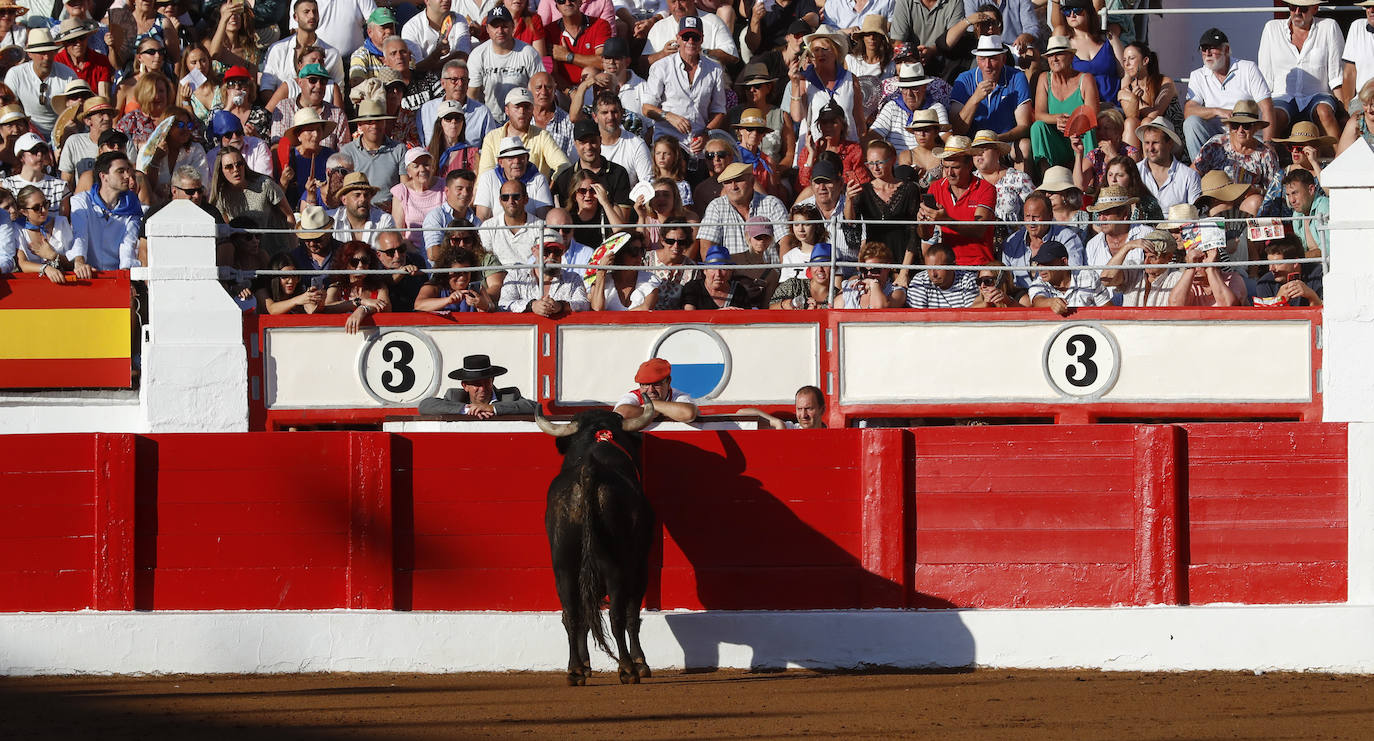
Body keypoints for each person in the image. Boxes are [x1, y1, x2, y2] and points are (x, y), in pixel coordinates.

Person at [1183, 28, 1275, 162]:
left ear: (1226, 50)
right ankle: (1201, 172)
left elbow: (1267, 108)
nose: (1207, 53)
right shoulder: (1197, 75)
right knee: (1191, 123)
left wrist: (1268, 144)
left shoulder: (1248, 68)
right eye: (1204, 49)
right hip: (1216, 136)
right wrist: (1217, 111)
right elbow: (1188, 111)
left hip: (1248, 135)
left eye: (1213, 48)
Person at [1258, 0, 1344, 140]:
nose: (1297, 12)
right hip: (1282, 96)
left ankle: (1341, 157)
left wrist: (1343, 111)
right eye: (1292, 7)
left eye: (1303, 8)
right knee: (1275, 117)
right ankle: (1268, 158)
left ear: (1315, 9)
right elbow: (1265, 76)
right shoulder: (1271, 28)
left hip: (1318, 95)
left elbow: (1336, 75)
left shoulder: (1328, 26)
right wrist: (1263, 109)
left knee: (1324, 112)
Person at [642, 15, 726, 148]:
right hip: (667, 143)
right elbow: (646, 108)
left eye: (695, 37)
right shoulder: (661, 67)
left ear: (702, 39)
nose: (691, 41)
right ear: (678, 38)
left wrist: (706, 134)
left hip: (698, 145)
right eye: (686, 37)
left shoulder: (715, 69)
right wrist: (668, 116)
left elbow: (719, 110)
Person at [919, 135, 995, 265]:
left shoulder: (986, 189)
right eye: (945, 167)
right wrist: (922, 222)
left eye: (955, 167)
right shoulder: (936, 188)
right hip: (947, 267)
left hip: (979, 265)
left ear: (969, 165)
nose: (949, 172)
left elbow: (979, 230)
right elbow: (926, 235)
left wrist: (946, 221)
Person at [844, 138, 920, 267]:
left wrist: (904, 271)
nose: (875, 168)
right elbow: (850, 221)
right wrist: (849, 199)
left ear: (892, 160)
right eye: (870, 163)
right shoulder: (864, 190)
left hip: (903, 258)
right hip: (874, 260)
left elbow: (914, 233)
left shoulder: (909, 189)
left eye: (879, 162)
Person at [785, 24, 864, 145]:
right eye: (816, 50)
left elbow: (859, 121)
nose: (820, 53)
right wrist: (795, 84)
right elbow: (797, 116)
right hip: (814, 151)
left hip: (847, 150)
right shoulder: (805, 80)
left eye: (825, 49)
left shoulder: (850, 79)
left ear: (835, 52)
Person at [211, 145, 295, 254]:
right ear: (221, 171)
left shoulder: (265, 184)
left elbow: (289, 216)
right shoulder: (221, 196)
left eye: (239, 164)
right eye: (229, 167)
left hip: (274, 252)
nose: (236, 170)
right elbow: (226, 232)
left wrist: (293, 250)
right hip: (243, 257)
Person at [1030, 35, 1098, 171]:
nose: (1054, 59)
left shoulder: (1086, 79)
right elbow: (1039, 114)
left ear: (1071, 57)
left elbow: (1092, 115)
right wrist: (1057, 119)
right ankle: (1047, 178)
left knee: (1089, 130)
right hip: (1057, 141)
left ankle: (1088, 177)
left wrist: (1072, 124)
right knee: (1037, 127)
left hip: (1081, 137)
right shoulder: (1044, 78)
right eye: (1050, 56)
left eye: (1059, 54)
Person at [950, 34, 1031, 147]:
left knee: (1025, 145)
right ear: (977, 60)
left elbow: (1024, 126)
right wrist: (975, 99)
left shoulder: (1017, 77)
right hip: (972, 147)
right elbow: (956, 130)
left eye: (992, 58)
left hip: (1006, 144)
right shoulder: (964, 79)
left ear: (1003, 59)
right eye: (982, 59)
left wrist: (994, 140)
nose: (987, 65)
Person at [467, 5, 543, 124]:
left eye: (504, 26)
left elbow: (539, 89)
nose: (500, 31)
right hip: (489, 120)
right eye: (495, 26)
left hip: (523, 118)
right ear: (487, 29)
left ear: (513, 26)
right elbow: (472, 94)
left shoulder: (528, 53)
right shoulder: (478, 55)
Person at [697, 161, 789, 259]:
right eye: (728, 182)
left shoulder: (772, 203)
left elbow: (786, 240)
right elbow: (706, 245)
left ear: (752, 182)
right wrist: (715, 272)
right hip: (731, 273)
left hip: (771, 271)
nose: (733, 186)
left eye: (738, 180)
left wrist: (786, 272)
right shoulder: (716, 206)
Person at [476, 87, 570, 179]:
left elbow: (564, 166)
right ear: (507, 110)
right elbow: (484, 176)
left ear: (532, 110)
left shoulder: (542, 136)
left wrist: (550, 187)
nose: (522, 111)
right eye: (517, 107)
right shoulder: (492, 138)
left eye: (527, 107)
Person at [70, 151, 141, 272]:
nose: (127, 176)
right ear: (103, 176)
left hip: (117, 275)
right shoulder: (81, 201)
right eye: (120, 171)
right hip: (88, 274)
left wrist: (125, 274)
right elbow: (80, 235)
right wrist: (79, 262)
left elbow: (129, 244)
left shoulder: (132, 204)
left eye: (128, 170)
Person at [1001, 191, 1085, 288]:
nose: (1031, 222)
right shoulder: (1012, 242)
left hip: (1056, 296)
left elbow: (1075, 276)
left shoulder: (1068, 238)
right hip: (1021, 299)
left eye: (1036, 217)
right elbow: (1006, 281)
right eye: (1027, 216)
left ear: (1050, 216)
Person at [497, 228, 591, 315]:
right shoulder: (516, 276)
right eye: (546, 251)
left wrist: (561, 306)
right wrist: (531, 306)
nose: (551, 256)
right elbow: (504, 305)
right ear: (534, 251)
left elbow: (585, 305)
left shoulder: (573, 278)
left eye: (557, 251)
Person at [261, 0, 346, 94]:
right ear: (295, 17)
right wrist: (281, 108)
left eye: (315, 11)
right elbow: (266, 88)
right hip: (280, 107)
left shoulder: (332, 54)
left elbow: (338, 92)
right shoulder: (277, 49)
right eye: (306, 12)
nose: (312, 16)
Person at [8, 28, 78, 139]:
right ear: (30, 54)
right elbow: (10, 110)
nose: (46, 58)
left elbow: (75, 108)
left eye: (50, 52)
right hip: (27, 132)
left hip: (62, 131)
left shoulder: (68, 74)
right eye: (41, 53)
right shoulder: (15, 74)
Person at [417, 354, 539, 417]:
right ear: (465, 386)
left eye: (486, 382)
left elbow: (535, 407)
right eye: (476, 384)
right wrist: (467, 409)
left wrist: (492, 408)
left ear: (492, 380)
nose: (483, 389)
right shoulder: (454, 396)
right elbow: (425, 405)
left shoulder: (510, 395)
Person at [1049, 0, 1120, 107]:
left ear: (1089, 12)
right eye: (1067, 11)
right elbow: (1058, 81)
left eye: (1077, 10)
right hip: (1082, 108)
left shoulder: (1109, 38)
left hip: (1113, 105)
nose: (1072, 15)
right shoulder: (1065, 46)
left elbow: (1125, 74)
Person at [554, 119, 632, 216]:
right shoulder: (564, 179)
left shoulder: (618, 173)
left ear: (600, 140)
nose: (588, 147)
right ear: (575, 144)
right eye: (583, 142)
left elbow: (623, 221)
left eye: (593, 141)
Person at [340, 99, 405, 209]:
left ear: (384, 123)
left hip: (391, 211)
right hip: (358, 211)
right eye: (370, 122)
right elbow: (344, 188)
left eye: (378, 121)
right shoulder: (347, 151)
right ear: (360, 125)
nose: (374, 126)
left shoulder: (399, 149)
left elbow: (405, 187)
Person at [269, 62, 349, 150]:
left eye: (323, 81)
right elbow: (277, 146)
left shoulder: (337, 115)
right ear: (300, 82)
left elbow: (343, 153)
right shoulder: (283, 108)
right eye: (313, 80)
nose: (318, 86)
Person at [417, 60, 494, 150]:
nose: (460, 84)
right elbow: (420, 147)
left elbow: (490, 149)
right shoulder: (426, 110)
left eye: (464, 80)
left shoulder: (482, 112)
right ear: (443, 83)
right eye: (454, 80)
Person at [1119, 41, 1182, 150]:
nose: (1127, 64)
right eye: (1124, 60)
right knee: (1130, 122)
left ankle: (1148, 164)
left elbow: (1155, 114)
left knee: (1147, 122)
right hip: (1143, 138)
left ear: (1145, 60)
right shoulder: (1126, 89)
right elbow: (1132, 116)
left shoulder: (1165, 82)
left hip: (1171, 140)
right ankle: (1133, 164)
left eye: (1131, 58)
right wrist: (1134, 99)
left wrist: (1136, 102)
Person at [644, 0, 739, 71]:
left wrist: (704, 52)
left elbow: (732, 57)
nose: (678, 6)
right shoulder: (658, 27)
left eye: (682, 0)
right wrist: (663, 54)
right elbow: (642, 64)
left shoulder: (713, 22)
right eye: (673, 1)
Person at [971, 129, 1032, 238]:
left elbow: (1035, 208)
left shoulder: (1018, 178)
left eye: (984, 149)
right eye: (975, 150)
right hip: (978, 243)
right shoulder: (968, 181)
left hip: (1014, 244)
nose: (979, 153)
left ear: (997, 152)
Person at [474, 135, 553, 219]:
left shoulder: (539, 179)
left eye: (521, 157)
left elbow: (544, 218)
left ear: (527, 158)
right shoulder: (488, 178)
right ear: (500, 162)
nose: (517, 161)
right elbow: (482, 218)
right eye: (510, 158)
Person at [322, 239, 391, 333]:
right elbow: (326, 308)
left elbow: (385, 307)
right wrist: (360, 302)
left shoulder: (379, 287)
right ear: (345, 264)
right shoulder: (337, 287)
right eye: (354, 262)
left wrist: (363, 309)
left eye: (365, 260)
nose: (360, 265)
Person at [1100, 228, 1182, 307]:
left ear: (1169, 257)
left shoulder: (1176, 278)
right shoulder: (1134, 269)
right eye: (1144, 256)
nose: (1146, 262)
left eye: (1153, 257)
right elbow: (1105, 280)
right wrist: (1127, 247)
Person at [796, 101, 868, 191]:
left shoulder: (853, 150)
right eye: (824, 123)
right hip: (816, 197)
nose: (828, 127)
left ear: (842, 125)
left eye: (833, 122)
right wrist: (811, 155)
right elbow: (802, 185)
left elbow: (862, 182)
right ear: (819, 125)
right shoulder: (808, 151)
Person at [1082, 184, 1151, 276]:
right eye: (1099, 214)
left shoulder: (1147, 234)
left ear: (1124, 214)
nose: (1101, 219)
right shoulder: (1092, 245)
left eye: (1106, 213)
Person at [1028, 238, 1109, 316]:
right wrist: (1051, 303)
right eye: (1038, 263)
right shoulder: (1037, 284)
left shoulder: (1089, 277)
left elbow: (1108, 310)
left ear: (1064, 262)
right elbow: (1037, 302)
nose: (1040, 268)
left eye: (1046, 262)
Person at [11, 185, 75, 284]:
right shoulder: (18, 229)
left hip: (64, 282)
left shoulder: (61, 223)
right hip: (33, 287)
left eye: (45, 204)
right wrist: (45, 268)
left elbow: (74, 263)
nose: (44, 210)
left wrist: (54, 256)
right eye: (36, 208)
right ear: (23, 211)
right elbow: (22, 264)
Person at [892, 0, 967, 83]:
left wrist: (931, 51)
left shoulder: (955, 2)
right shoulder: (904, 2)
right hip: (910, 60)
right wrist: (914, 54)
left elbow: (952, 39)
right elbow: (898, 42)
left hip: (943, 59)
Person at [1135, 118, 1199, 213]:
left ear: (1170, 144)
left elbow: (1195, 214)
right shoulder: (1134, 171)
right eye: (1147, 143)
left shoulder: (1189, 176)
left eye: (1155, 142)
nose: (1150, 148)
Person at [414, 240, 498, 312]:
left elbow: (491, 308)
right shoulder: (433, 287)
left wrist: (484, 305)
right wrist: (448, 300)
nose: (462, 277)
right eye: (457, 273)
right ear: (446, 272)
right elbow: (419, 305)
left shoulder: (477, 289)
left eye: (466, 272)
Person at [545, 0, 611, 89]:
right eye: (561, 1)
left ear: (580, 2)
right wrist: (571, 93)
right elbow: (552, 73)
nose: (567, 3)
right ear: (557, 7)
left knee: (590, 72)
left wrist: (568, 56)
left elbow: (604, 62)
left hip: (593, 87)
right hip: (563, 90)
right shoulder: (549, 31)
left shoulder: (600, 25)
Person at [389, 147, 445, 248]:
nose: (422, 169)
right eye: (416, 166)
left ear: (432, 167)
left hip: (441, 249)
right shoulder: (401, 191)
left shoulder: (444, 187)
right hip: (412, 251)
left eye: (426, 164)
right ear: (408, 171)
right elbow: (398, 233)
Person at [613, 357, 698, 423]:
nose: (650, 390)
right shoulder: (633, 396)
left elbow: (688, 413)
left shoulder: (678, 396)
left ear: (668, 382)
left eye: (657, 384)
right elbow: (621, 413)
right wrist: (660, 410)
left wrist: (651, 405)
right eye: (645, 384)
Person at [588, 233, 660, 311]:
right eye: (634, 251)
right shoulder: (601, 281)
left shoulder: (650, 279)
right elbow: (597, 310)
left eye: (642, 251)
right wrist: (601, 272)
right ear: (619, 253)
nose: (640, 256)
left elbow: (646, 309)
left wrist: (614, 319)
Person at [1074, 108, 1137, 195]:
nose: (1101, 133)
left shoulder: (1131, 152)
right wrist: (1079, 153)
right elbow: (1079, 186)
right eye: (1098, 128)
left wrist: (1113, 156)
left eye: (1106, 128)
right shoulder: (1095, 155)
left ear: (1119, 131)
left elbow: (1134, 181)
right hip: (1101, 203)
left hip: (1125, 199)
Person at [487, 177, 546, 267]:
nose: (511, 201)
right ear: (500, 201)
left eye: (516, 197)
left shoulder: (541, 227)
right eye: (505, 197)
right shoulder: (488, 227)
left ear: (526, 199)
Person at [330, 172, 397, 248]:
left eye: (366, 195)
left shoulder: (384, 220)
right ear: (344, 200)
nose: (363, 199)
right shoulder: (331, 219)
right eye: (357, 195)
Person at [53, 17, 113, 101]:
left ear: (87, 38)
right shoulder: (56, 62)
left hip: (93, 108)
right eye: (72, 40)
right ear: (64, 43)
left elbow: (104, 98)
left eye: (82, 38)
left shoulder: (101, 61)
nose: (78, 43)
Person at [1253, 236, 1323, 307]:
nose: (1271, 269)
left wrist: (1311, 296)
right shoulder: (1265, 283)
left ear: (1295, 262)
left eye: (1277, 263)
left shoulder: (1318, 275)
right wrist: (1277, 301)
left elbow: (1326, 313)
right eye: (1269, 263)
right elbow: (1265, 316)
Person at [422, 168, 479, 254]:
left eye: (469, 189)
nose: (465, 193)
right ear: (447, 191)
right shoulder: (435, 217)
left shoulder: (477, 221)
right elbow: (433, 253)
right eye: (459, 189)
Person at [5, 134, 70, 209]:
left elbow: (64, 219)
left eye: (43, 151)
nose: (40, 155)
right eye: (34, 151)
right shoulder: (7, 186)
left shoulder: (60, 187)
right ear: (21, 156)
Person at [635, 175, 696, 252]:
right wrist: (641, 217)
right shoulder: (646, 221)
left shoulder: (690, 220)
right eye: (656, 195)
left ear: (675, 199)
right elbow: (639, 249)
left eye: (666, 195)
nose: (661, 199)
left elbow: (689, 254)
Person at [905, 241, 975, 308]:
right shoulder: (920, 281)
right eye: (928, 268)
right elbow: (917, 317)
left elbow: (971, 316)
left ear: (953, 266)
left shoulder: (967, 280)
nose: (933, 274)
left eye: (938, 268)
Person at [402, 0, 471, 68]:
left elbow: (463, 56)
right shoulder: (411, 27)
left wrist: (433, 63)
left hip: (454, 77)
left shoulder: (459, 19)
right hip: (423, 78)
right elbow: (416, 68)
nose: (446, 0)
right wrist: (436, 55)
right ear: (427, 1)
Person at [681, 242, 750, 309]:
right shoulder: (693, 288)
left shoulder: (739, 291)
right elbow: (689, 315)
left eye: (723, 268)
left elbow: (747, 317)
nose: (718, 274)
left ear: (730, 271)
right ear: (705, 271)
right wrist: (719, 314)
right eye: (713, 268)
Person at [840, 241, 906, 308]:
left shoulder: (897, 292)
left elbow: (879, 309)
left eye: (874, 270)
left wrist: (873, 283)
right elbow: (834, 309)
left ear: (887, 267)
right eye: (864, 270)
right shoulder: (852, 287)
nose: (869, 274)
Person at [646, 222, 697, 308]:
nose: (676, 246)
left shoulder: (692, 267)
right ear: (662, 240)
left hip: (677, 318)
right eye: (670, 241)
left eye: (681, 242)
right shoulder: (646, 260)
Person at [373, 229, 427, 312]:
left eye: (401, 249)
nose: (397, 256)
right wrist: (396, 277)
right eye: (390, 252)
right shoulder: (372, 268)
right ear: (379, 255)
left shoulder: (416, 260)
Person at [1282, 168, 1328, 259]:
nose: (1292, 200)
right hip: (1310, 265)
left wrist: (1298, 258)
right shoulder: (1297, 214)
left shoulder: (1325, 206)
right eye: (1288, 195)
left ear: (1311, 189)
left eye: (1295, 193)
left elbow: (1330, 249)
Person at [289, 204, 337, 291]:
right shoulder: (294, 257)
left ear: (330, 232)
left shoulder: (344, 252)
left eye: (317, 239)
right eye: (306, 239)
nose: (311, 244)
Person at [257, 252, 323, 314]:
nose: (291, 281)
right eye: (285, 276)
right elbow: (272, 309)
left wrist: (319, 302)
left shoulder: (301, 291)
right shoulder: (262, 291)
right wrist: (297, 300)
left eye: (294, 275)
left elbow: (311, 311)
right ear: (274, 277)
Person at [1339, 81, 1374, 155]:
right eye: (1365, 104)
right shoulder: (1357, 121)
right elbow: (1341, 157)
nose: (1368, 110)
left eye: (1373, 105)